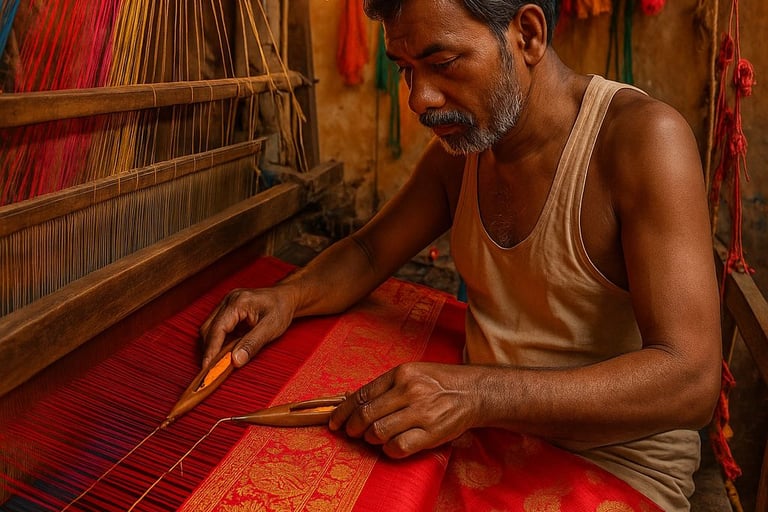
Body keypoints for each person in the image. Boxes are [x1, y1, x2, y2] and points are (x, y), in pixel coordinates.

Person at [200, 0, 722, 509]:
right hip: (484, 431)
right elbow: (368, 251)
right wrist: (289, 297)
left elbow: (691, 381)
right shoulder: (467, 150)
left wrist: (476, 395)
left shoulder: (640, 140)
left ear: (528, 34)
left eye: (442, 63)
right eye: (406, 70)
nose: (419, 99)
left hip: (615, 467)